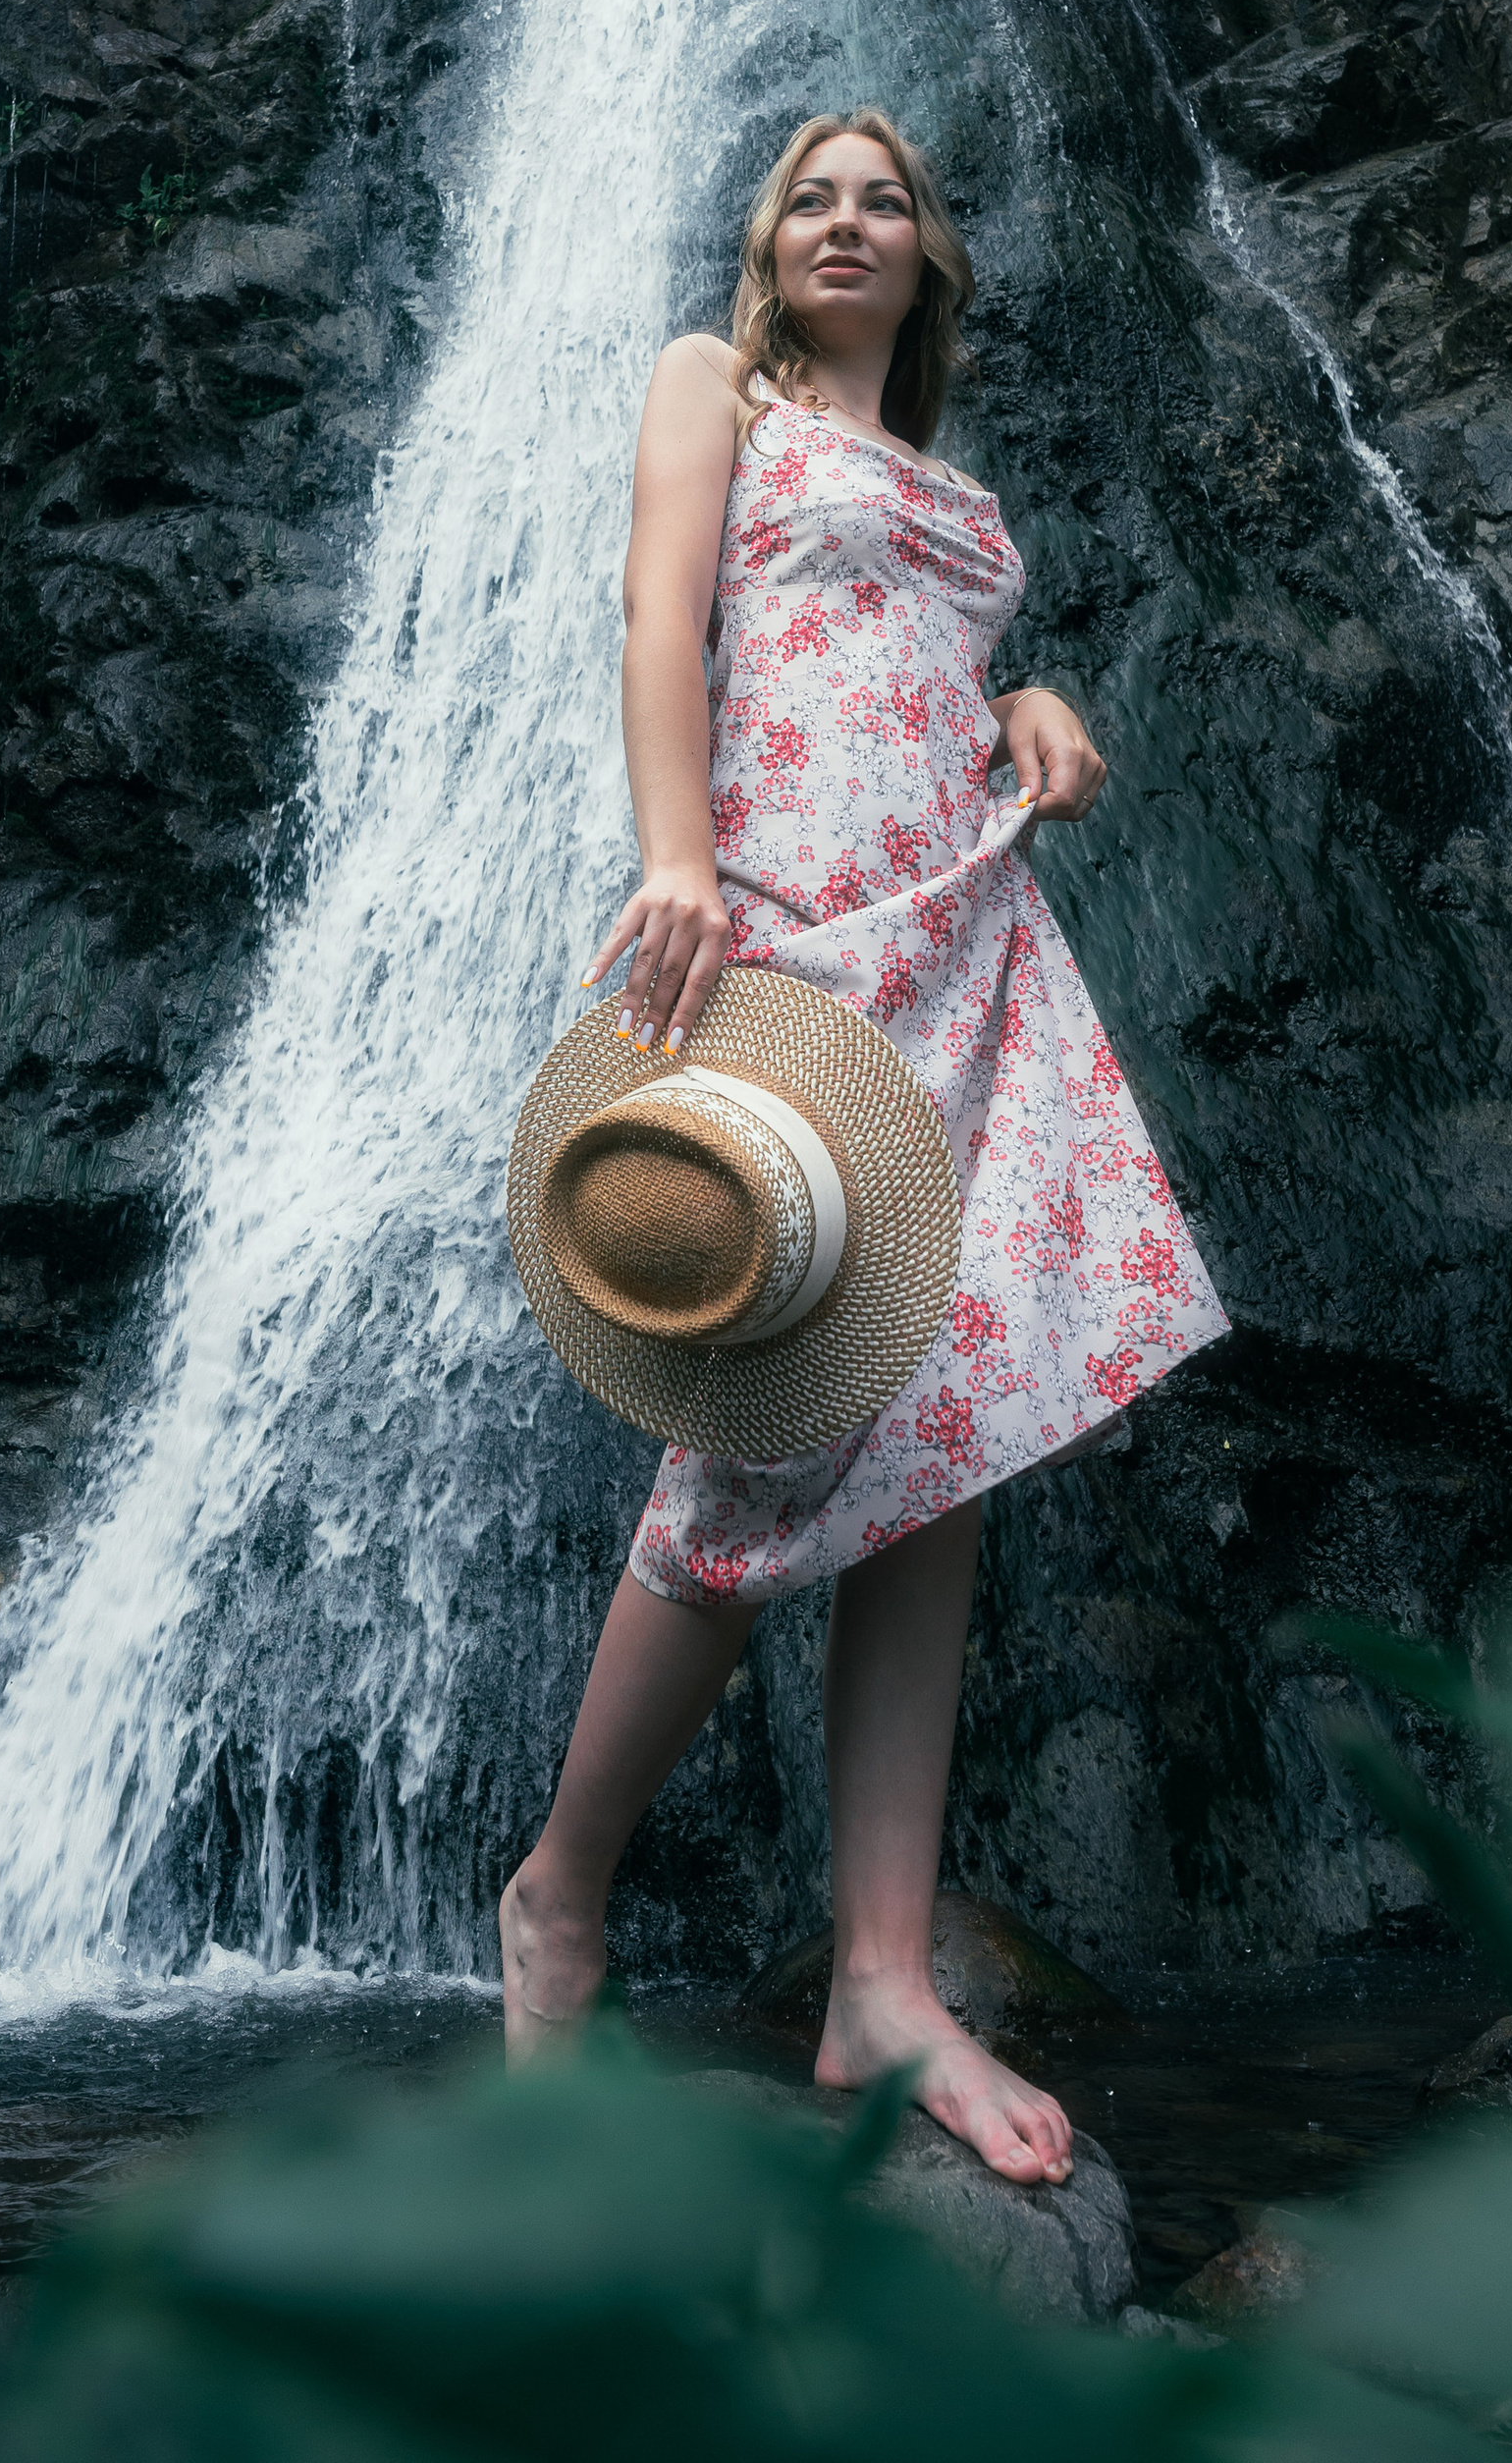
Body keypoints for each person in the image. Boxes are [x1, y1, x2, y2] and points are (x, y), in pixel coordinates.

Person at [499, 108, 1228, 2184]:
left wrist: (1031, 702)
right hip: (792, 933)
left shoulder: (958, 491)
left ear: (928, 259)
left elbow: (934, 657)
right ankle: (559, 1890)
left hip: (969, 938)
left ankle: (877, 1982)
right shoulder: (702, 385)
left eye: (880, 196)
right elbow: (663, 620)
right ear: (767, 248)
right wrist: (676, 862)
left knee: (945, 1435)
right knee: (752, 1438)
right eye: (808, 194)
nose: (843, 217)